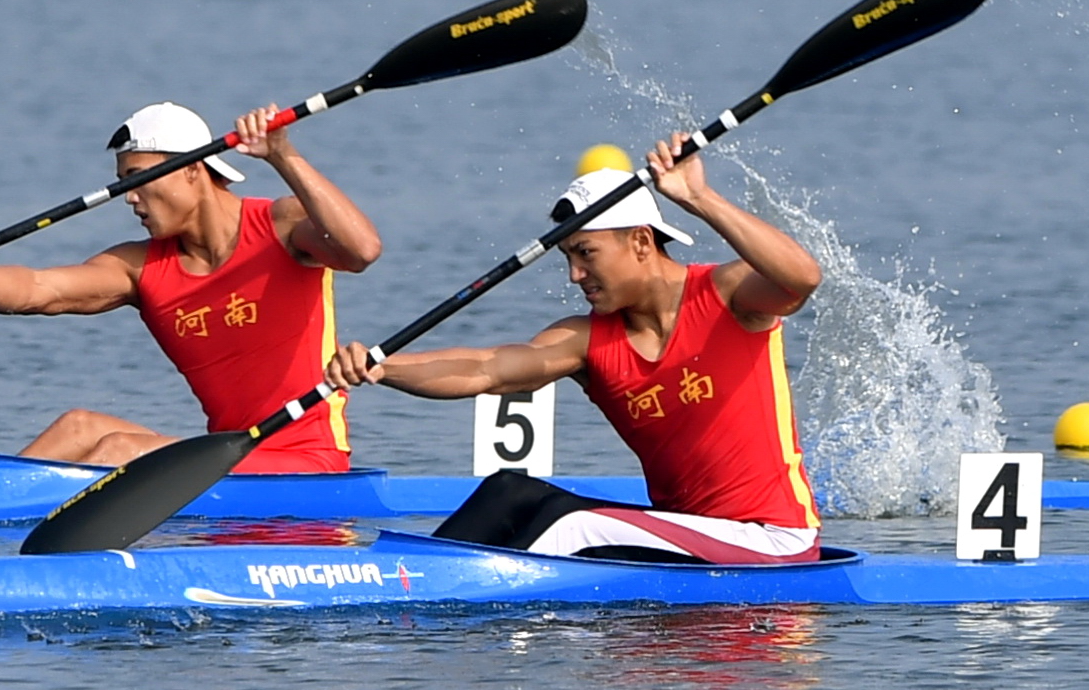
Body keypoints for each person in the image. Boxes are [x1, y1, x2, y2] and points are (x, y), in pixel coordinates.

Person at [320, 143, 824, 561]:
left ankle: (445, 617)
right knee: (510, 492)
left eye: (586, 254)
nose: (574, 275)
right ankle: (402, 573)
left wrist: (700, 197)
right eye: (568, 257)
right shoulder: (587, 340)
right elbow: (487, 370)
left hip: (772, 539)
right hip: (685, 531)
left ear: (642, 241)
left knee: (575, 526)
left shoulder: (728, 294)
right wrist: (381, 367)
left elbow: (801, 278)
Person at [0, 103, 382, 470]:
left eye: (138, 179)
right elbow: (36, 289)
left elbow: (361, 250)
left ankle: (41, 550)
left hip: (307, 462)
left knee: (118, 449)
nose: (129, 197)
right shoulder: (141, 267)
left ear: (194, 169)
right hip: (226, 458)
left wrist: (283, 154)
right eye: (122, 183)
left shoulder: (280, 225)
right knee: (78, 427)